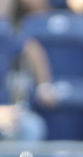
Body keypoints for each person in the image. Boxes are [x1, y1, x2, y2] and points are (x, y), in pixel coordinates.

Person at [0, 9, 54, 142]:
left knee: (32, 126)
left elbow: (32, 48)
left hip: (7, 113)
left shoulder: (2, 34)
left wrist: (44, 85)